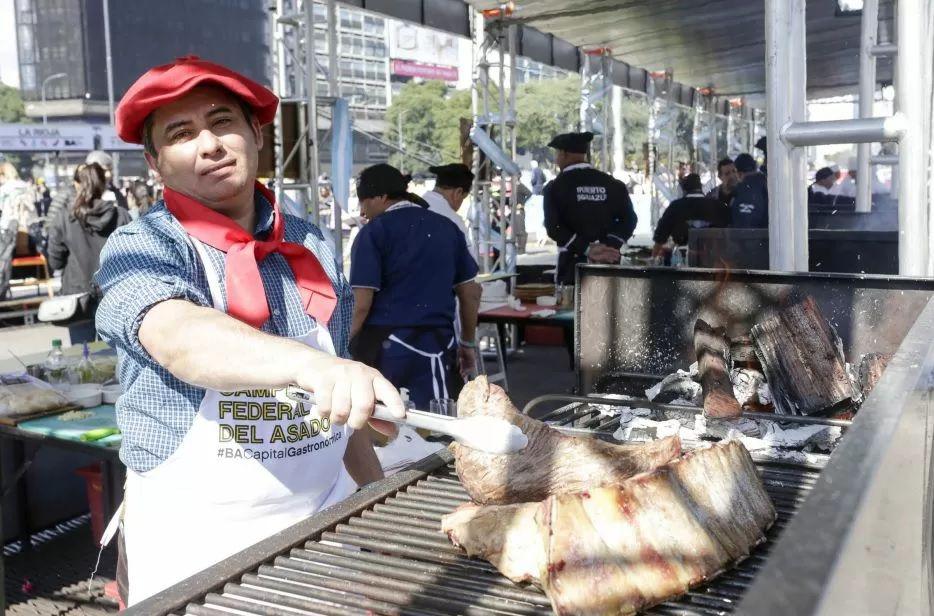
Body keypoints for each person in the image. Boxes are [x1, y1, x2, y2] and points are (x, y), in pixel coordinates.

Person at [94, 55, 405, 607]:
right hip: (197, 542)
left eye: (222, 122)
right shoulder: (142, 246)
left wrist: (377, 499)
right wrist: (311, 364)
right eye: (181, 133)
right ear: (155, 161)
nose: (209, 144)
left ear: (255, 134)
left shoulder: (310, 244)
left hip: (324, 524)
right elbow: (177, 336)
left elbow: (341, 398)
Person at [349, 163, 481, 411]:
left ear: (381, 197)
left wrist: (341, 346)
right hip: (440, 347)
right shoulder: (447, 227)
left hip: (385, 351)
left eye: (363, 202)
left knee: (386, 430)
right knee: (437, 429)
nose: (362, 211)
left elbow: (360, 304)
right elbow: (471, 292)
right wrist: (468, 343)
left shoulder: (373, 233)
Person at [47, 163, 131, 342]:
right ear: (103, 184)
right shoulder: (122, 215)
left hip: (77, 298)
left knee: (81, 359)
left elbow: (55, 261)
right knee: (113, 360)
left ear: (77, 184)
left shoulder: (64, 218)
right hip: (115, 295)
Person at [543, 131, 637, 284]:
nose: (556, 159)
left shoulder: (555, 187)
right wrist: (609, 246)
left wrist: (586, 248)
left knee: (572, 306)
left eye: (557, 154)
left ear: (564, 154)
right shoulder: (613, 184)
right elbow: (630, 219)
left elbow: (554, 227)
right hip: (609, 263)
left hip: (572, 267)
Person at [652, 173, 729, 259]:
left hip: (683, 258)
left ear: (684, 190)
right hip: (714, 258)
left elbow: (660, 235)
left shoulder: (676, 206)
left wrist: (653, 257)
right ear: (701, 188)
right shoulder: (718, 205)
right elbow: (729, 233)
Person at [423, 163, 473, 246]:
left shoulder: (412, 205)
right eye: (463, 198)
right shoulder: (453, 220)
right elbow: (468, 257)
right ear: (458, 192)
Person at [729, 153, 769, 229]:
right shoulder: (767, 186)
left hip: (741, 238)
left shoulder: (740, 190)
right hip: (766, 238)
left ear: (739, 174)